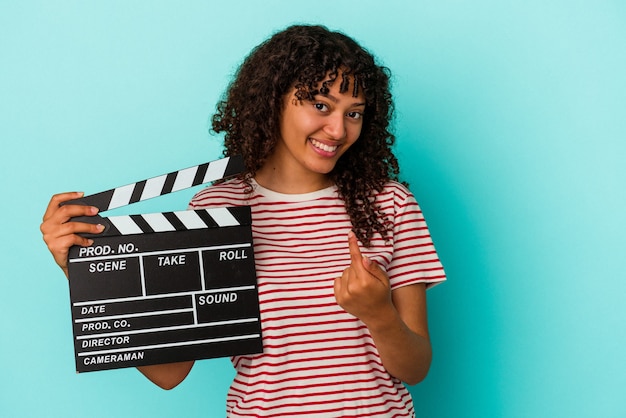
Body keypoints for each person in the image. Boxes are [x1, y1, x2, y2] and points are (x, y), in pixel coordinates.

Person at [41, 24, 446, 417]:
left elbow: (416, 368)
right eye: (320, 105)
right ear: (275, 99)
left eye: (354, 113)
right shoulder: (217, 210)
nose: (338, 129)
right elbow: (170, 373)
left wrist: (378, 314)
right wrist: (82, 271)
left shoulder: (387, 204)